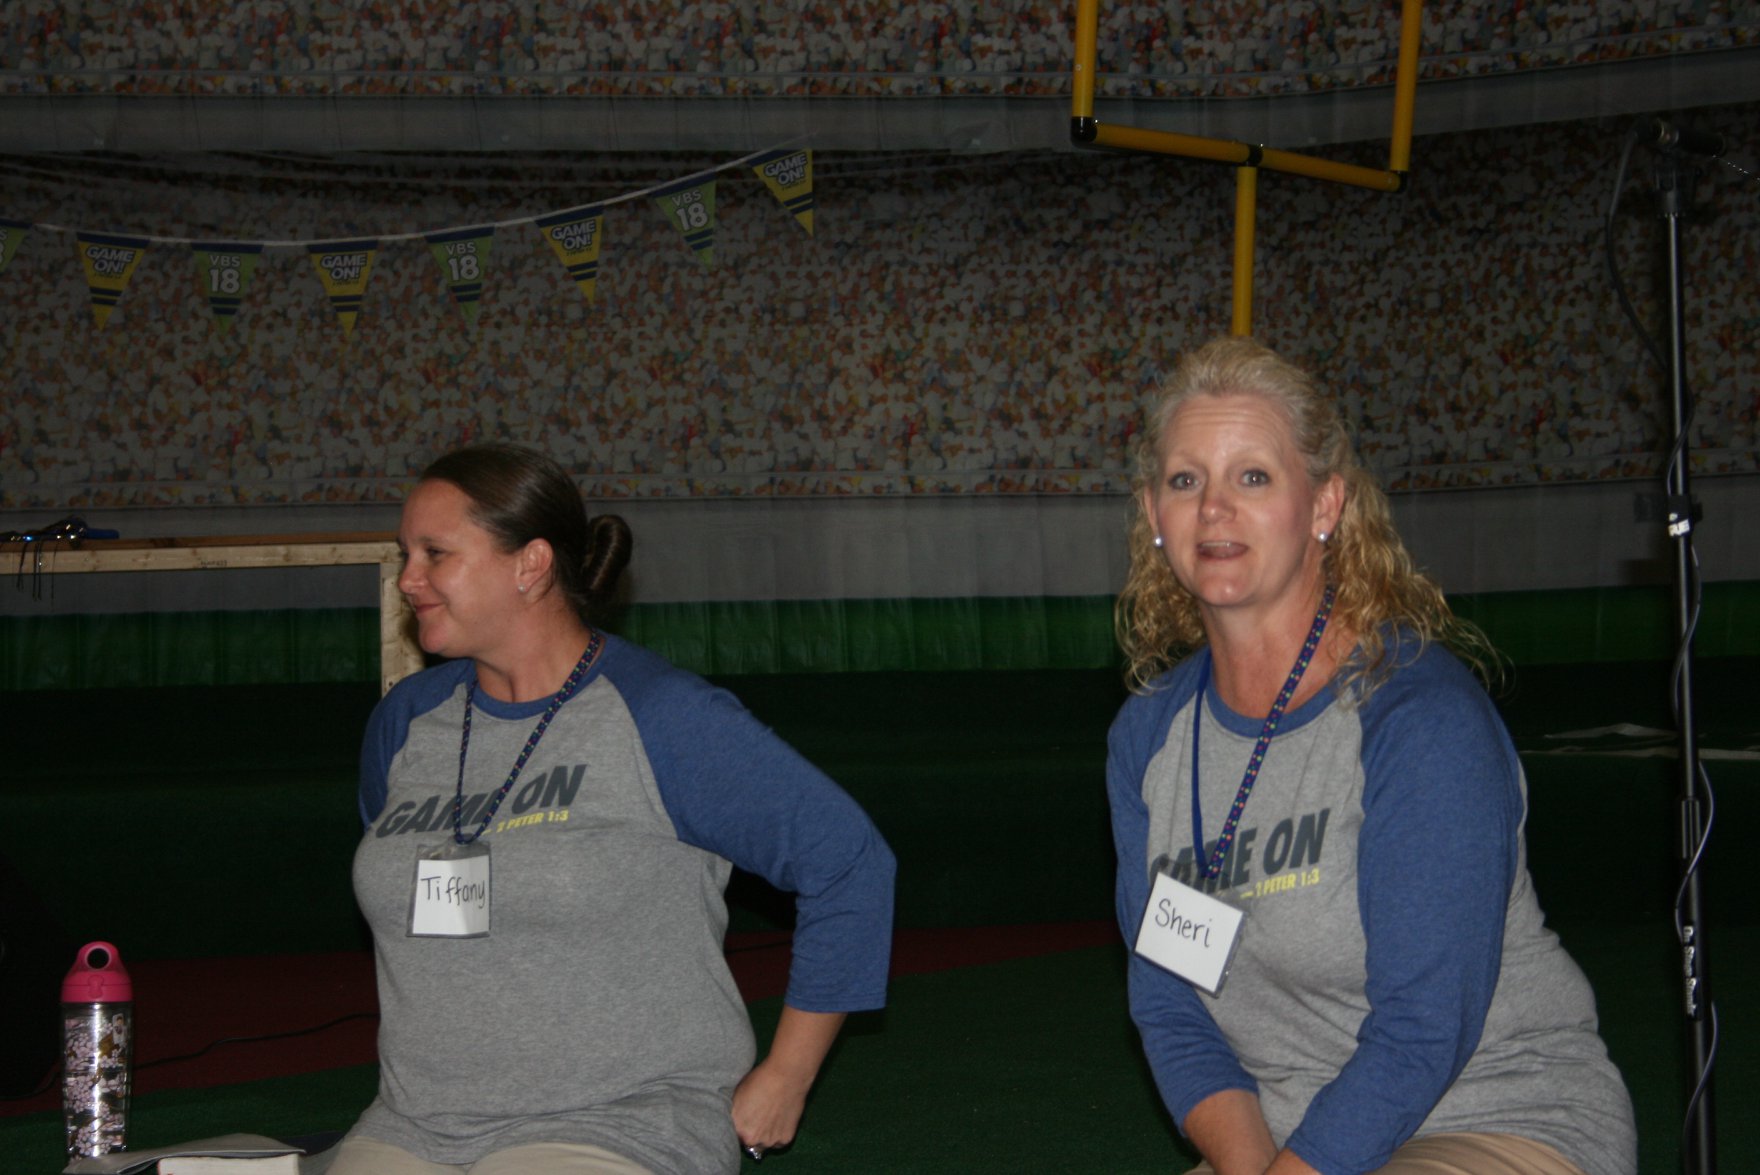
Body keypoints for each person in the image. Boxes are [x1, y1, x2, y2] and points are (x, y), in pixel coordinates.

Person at [1107, 337, 1636, 1175]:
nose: (1213, 508)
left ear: (1325, 504)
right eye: (1185, 480)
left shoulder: (1417, 718)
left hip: (1495, 1115)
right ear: (1153, 514)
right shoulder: (1148, 737)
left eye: (1253, 476)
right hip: (1289, 1142)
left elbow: (1425, 1026)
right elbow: (1169, 1005)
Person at [330, 443, 895, 1175]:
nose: (408, 579)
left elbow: (848, 861)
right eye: (405, 553)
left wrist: (787, 1076)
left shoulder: (663, 716)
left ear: (531, 564)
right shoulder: (407, 720)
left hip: (623, 1121)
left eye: (434, 553)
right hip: (415, 1124)